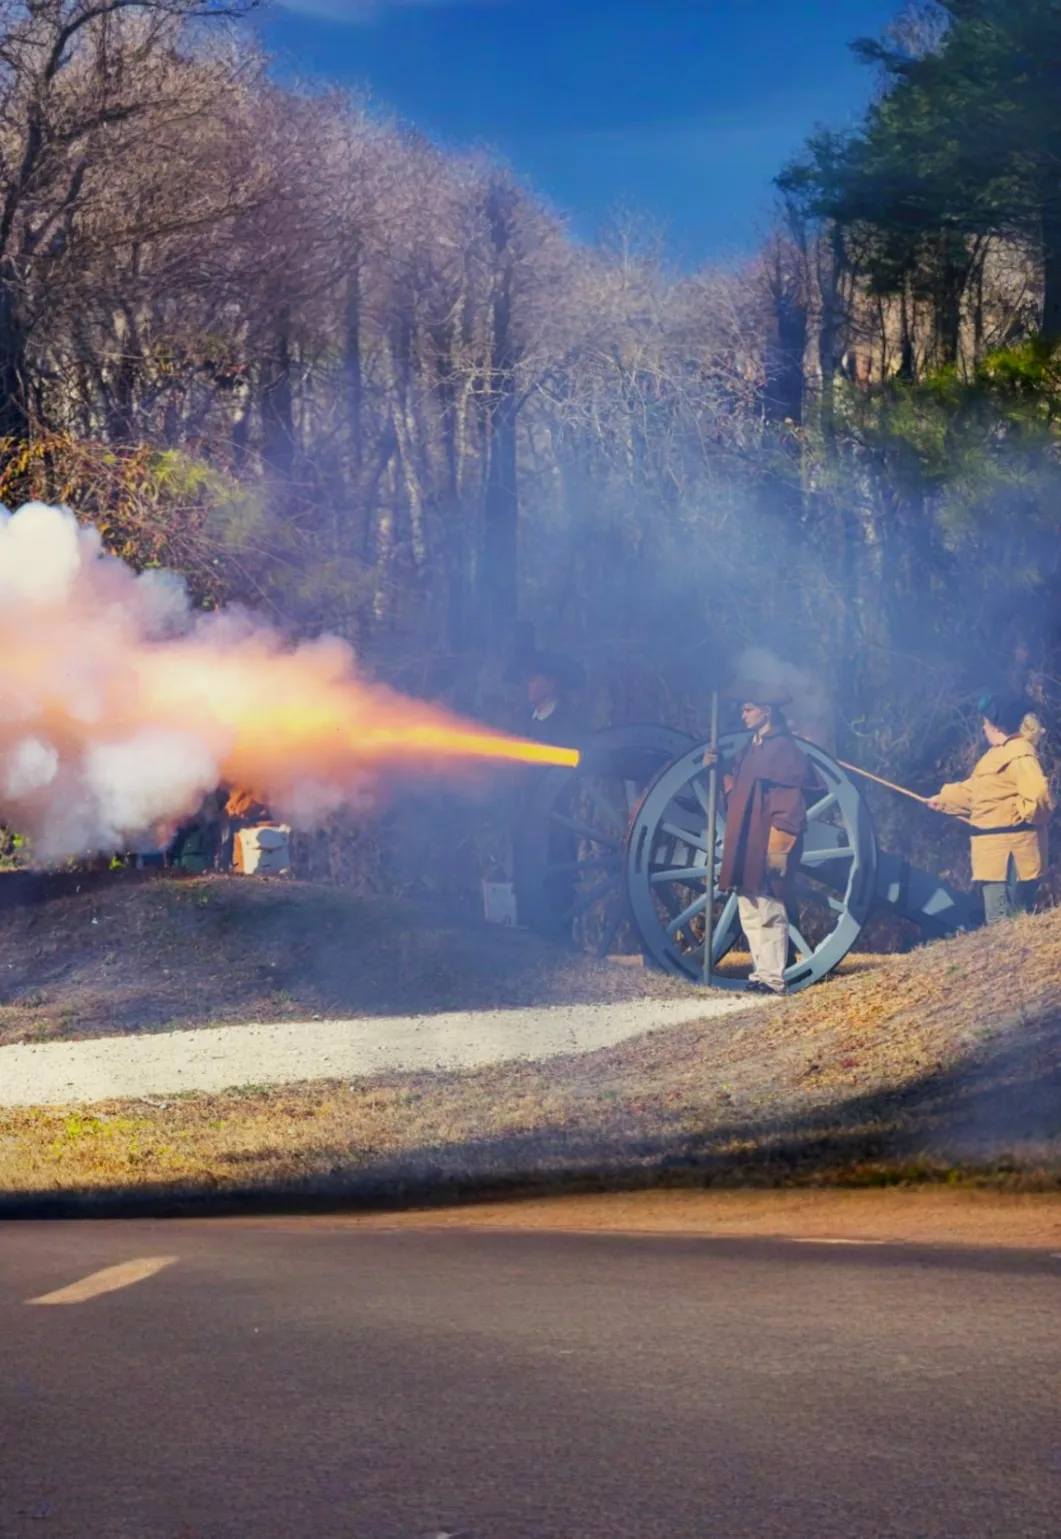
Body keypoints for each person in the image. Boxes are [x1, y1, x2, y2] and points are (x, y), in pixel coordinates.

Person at [705, 680, 810, 996]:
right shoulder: (752, 747)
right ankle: (761, 974)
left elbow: (789, 804)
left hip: (767, 839)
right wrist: (719, 769)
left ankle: (773, 979)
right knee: (749, 907)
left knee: (768, 909)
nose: (743, 715)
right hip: (746, 838)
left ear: (767, 712)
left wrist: (779, 847)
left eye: (748, 710)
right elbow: (738, 789)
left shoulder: (784, 750)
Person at [927, 694, 1053, 924]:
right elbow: (978, 793)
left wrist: (1019, 814)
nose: (983, 727)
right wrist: (944, 800)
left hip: (1012, 857)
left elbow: (1037, 795)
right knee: (1002, 924)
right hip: (995, 859)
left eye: (985, 722)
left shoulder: (1018, 754)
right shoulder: (997, 755)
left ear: (996, 726)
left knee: (1006, 924)